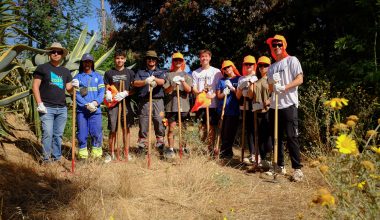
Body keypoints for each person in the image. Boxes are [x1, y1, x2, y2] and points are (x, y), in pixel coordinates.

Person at [265, 34, 304, 181]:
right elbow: (269, 88)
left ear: (284, 45)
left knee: (292, 136)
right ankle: (279, 165)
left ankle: (297, 169)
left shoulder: (292, 60)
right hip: (275, 106)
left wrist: (284, 87)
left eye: (279, 44)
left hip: (289, 104)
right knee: (276, 137)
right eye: (274, 45)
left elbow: (300, 79)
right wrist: (272, 84)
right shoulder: (272, 67)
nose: (276, 47)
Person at [32, 42, 77, 163]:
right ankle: (46, 159)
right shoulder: (42, 68)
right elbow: (35, 87)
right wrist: (39, 103)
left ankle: (56, 157)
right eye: (53, 51)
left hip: (62, 108)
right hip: (46, 107)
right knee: (47, 133)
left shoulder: (65, 71)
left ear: (62, 55)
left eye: (59, 52)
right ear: (49, 53)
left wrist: (74, 86)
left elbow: (69, 89)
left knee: (58, 135)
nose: (56, 54)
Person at [103, 50, 135, 161]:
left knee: (126, 129)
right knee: (113, 129)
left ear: (125, 59)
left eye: (122, 58)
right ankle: (111, 153)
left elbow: (134, 88)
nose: (119, 60)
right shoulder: (109, 73)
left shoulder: (130, 73)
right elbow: (106, 86)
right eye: (117, 58)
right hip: (113, 104)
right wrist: (107, 93)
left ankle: (126, 153)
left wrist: (126, 93)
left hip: (126, 103)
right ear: (114, 59)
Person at [133, 50, 166, 152]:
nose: (151, 60)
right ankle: (142, 145)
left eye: (153, 59)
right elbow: (135, 83)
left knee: (159, 121)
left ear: (156, 61)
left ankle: (160, 144)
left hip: (157, 100)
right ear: (146, 60)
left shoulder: (161, 72)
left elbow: (163, 82)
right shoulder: (140, 72)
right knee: (144, 122)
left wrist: (154, 79)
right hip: (144, 100)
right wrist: (145, 81)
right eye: (149, 59)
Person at [74, 53, 105, 160]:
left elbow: (102, 92)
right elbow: (76, 94)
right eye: (85, 61)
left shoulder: (98, 77)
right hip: (82, 111)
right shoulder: (77, 77)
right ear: (82, 63)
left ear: (92, 63)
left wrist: (95, 103)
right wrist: (86, 104)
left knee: (96, 132)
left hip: (95, 111)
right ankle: (83, 156)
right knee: (82, 134)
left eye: (89, 61)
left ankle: (96, 155)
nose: (87, 63)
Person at [163, 52, 192, 158]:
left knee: (184, 129)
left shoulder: (187, 75)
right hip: (171, 106)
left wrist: (183, 82)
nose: (178, 62)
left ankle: (183, 148)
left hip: (184, 107)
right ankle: (170, 149)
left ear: (182, 61)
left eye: (180, 60)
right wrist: (174, 84)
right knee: (171, 128)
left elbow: (189, 90)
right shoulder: (168, 75)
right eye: (176, 60)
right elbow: (166, 91)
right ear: (173, 61)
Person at [192, 49, 222, 152]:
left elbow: (219, 87)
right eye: (202, 56)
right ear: (200, 58)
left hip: (212, 105)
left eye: (206, 56)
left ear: (210, 57)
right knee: (201, 127)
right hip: (200, 105)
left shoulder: (216, 72)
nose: (204, 58)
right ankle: (200, 148)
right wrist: (200, 92)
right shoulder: (196, 72)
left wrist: (213, 95)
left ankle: (210, 149)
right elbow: (194, 88)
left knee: (211, 128)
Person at [236, 55, 259, 164]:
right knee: (249, 130)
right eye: (246, 64)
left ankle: (258, 154)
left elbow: (253, 95)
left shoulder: (257, 77)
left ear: (254, 66)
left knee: (256, 129)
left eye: (250, 64)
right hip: (244, 106)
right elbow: (237, 96)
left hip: (255, 106)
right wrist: (241, 87)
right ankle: (252, 153)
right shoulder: (241, 78)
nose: (248, 66)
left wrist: (251, 84)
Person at [216, 60, 241, 159]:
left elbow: (240, 95)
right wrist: (224, 93)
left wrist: (232, 88)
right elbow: (218, 95)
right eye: (224, 68)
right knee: (223, 131)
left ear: (233, 66)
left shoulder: (239, 79)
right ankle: (225, 152)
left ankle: (227, 151)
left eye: (228, 67)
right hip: (223, 109)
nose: (227, 69)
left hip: (234, 109)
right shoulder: (221, 81)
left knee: (231, 131)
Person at [252, 56, 272, 166]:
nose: (262, 67)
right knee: (259, 136)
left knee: (268, 136)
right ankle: (263, 159)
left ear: (269, 66)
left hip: (269, 111)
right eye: (260, 65)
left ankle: (270, 158)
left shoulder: (271, 79)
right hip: (258, 111)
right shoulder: (256, 81)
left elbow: (276, 94)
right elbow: (252, 96)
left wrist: (269, 101)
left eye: (265, 65)